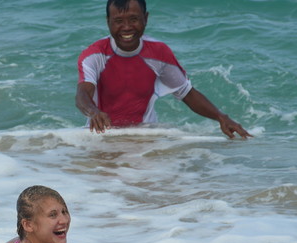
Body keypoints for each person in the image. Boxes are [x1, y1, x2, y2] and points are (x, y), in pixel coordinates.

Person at [75, 0, 251, 139]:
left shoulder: (158, 53)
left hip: (145, 137)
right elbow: (83, 94)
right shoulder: (94, 55)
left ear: (146, 18)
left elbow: (187, 93)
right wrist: (94, 112)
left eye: (134, 19)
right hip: (102, 137)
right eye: (118, 21)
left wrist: (221, 117)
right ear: (108, 22)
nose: (127, 27)